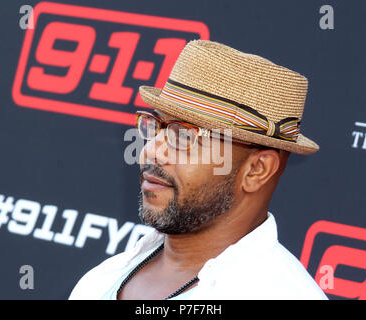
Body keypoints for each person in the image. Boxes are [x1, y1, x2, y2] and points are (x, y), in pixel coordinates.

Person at [69, 39, 327, 300]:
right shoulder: (103, 278)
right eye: (157, 126)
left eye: (183, 136)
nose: (151, 151)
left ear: (257, 170)